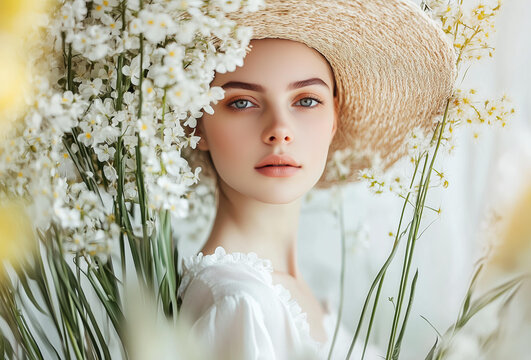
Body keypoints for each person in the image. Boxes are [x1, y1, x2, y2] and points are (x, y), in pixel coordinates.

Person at [177, 1, 456, 359]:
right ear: (196, 123)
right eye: (242, 103)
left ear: (335, 117)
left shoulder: (277, 291)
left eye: (306, 100)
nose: (279, 130)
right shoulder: (242, 303)